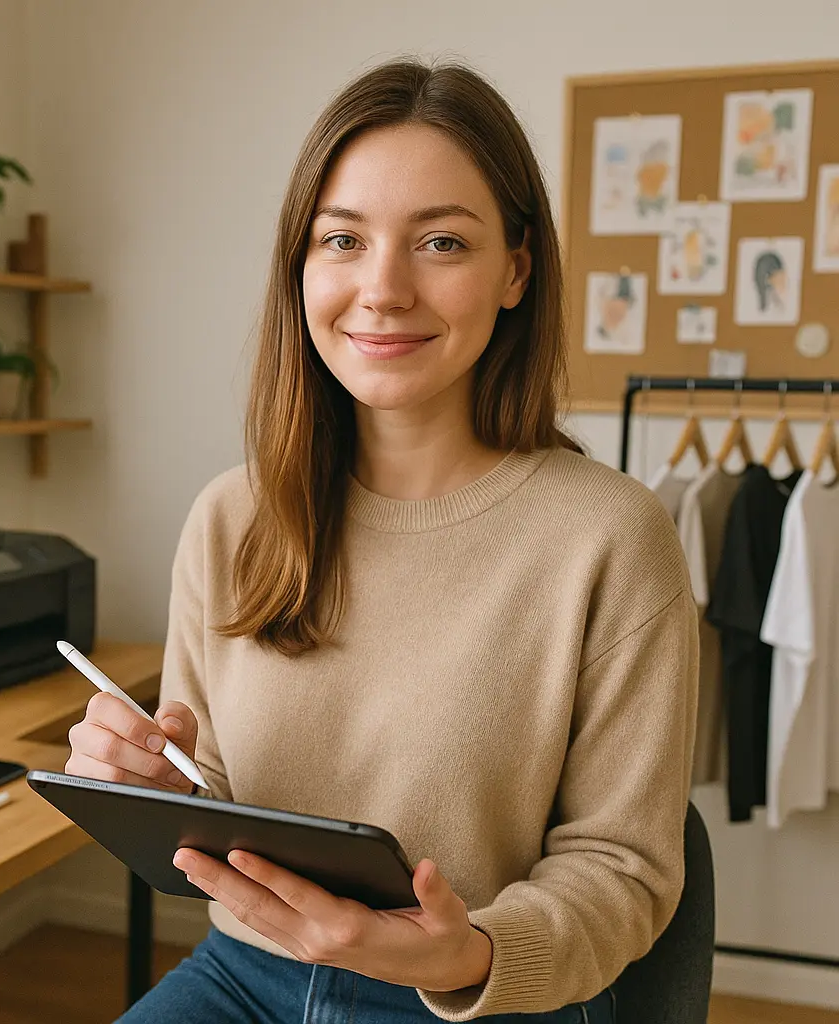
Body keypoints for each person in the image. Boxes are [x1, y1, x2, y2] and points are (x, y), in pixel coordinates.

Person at [67, 56, 699, 1023]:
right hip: (245, 975)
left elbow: (627, 871)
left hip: (488, 997)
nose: (383, 288)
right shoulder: (230, 517)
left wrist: (466, 954)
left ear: (516, 271)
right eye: (343, 240)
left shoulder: (610, 536)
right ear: (301, 266)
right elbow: (223, 796)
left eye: (441, 242)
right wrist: (152, 782)